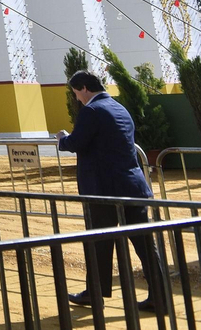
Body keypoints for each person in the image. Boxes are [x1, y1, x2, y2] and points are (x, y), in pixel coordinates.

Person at [58, 70, 163, 312]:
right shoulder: (119, 108)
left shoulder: (92, 111)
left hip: (104, 190)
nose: (76, 98)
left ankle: (94, 294)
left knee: (99, 242)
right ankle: (159, 295)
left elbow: (76, 142)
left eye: (76, 93)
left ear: (84, 88)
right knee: (145, 244)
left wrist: (62, 139)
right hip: (132, 186)